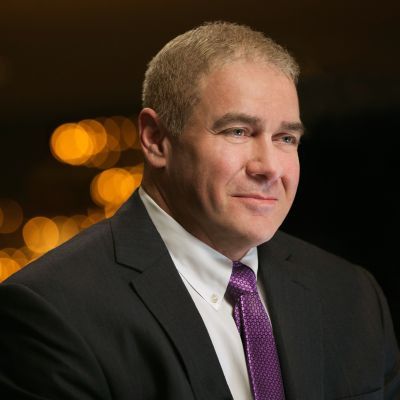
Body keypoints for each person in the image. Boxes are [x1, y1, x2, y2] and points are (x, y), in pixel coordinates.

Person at [0, 21, 399, 400]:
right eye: (238, 132)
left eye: (286, 138)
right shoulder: (51, 311)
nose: (270, 167)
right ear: (155, 139)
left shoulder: (352, 296)